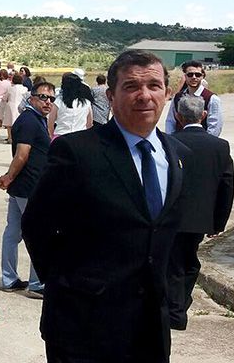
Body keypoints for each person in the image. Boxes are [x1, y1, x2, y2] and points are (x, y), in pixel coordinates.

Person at [22, 50, 193, 362]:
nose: (144, 96)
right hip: (83, 326)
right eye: (131, 87)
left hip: (150, 328)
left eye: (154, 86)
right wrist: (70, 285)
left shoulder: (177, 155)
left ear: (167, 93)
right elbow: (37, 225)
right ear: (111, 96)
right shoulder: (76, 151)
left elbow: (169, 235)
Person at [168, 96, 234, 331]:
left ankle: (176, 311)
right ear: (204, 116)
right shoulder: (220, 146)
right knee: (189, 261)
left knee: (175, 264)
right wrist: (219, 222)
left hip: (172, 217)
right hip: (202, 218)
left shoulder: (169, 142)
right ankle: (180, 305)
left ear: (178, 116)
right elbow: (227, 185)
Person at [0, 81, 56, 299]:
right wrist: (9, 177)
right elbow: (22, 154)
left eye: (51, 99)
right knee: (39, 233)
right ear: (31, 98)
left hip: (24, 186)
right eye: (43, 97)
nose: (48, 102)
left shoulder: (37, 120)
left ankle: (9, 279)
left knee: (13, 232)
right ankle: (37, 283)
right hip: (29, 186)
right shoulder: (30, 121)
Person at [166, 60, 223, 136]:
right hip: (179, 143)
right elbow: (170, 121)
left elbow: (215, 126)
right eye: (190, 74)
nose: (194, 77)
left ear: (202, 76)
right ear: (185, 76)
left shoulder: (212, 99)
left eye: (197, 75)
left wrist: (208, 143)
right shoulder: (177, 97)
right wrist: (171, 140)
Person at [48, 72, 94, 139]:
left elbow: (50, 124)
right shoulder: (86, 103)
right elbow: (89, 124)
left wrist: (52, 137)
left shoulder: (58, 102)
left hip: (61, 137)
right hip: (81, 138)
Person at [1, 74, 28, 144]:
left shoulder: (10, 88)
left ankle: (10, 138)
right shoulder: (25, 89)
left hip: (10, 105)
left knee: (9, 123)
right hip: (20, 105)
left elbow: (5, 97)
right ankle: (18, 137)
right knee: (19, 122)